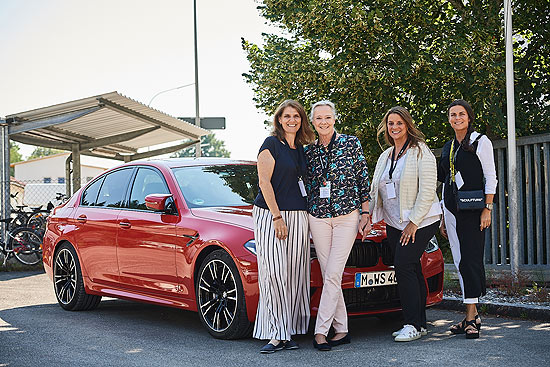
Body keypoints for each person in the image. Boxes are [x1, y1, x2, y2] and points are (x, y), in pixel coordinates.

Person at [369, 106, 441, 342]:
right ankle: (420, 325)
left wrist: (413, 223)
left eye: (399, 123)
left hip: (421, 221)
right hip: (393, 222)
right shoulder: (386, 155)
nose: (395, 127)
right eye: (390, 123)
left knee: (403, 265)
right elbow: (375, 191)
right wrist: (368, 218)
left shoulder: (420, 151)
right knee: (412, 268)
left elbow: (428, 190)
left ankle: (410, 323)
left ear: (407, 125)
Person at [305, 100, 371, 351]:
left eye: (328, 117)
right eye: (319, 118)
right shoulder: (308, 151)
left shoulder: (350, 143)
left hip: (347, 215)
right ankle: (342, 329)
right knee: (328, 275)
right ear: (313, 121)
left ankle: (320, 331)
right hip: (318, 216)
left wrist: (365, 212)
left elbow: (362, 178)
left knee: (332, 273)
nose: (323, 122)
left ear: (335, 119)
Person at [252, 99, 315, 353]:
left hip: (300, 215)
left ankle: (289, 331)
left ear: (301, 120)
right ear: (279, 119)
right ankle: (276, 334)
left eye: (297, 116)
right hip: (272, 215)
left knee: (295, 275)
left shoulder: (300, 148)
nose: (292, 120)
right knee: (275, 274)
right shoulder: (270, 145)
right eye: (287, 116)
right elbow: (264, 182)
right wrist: (277, 217)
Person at [438, 99, 497, 339]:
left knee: (470, 261)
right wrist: (443, 215)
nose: (457, 118)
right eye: (453, 115)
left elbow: (491, 176)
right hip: (451, 211)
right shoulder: (448, 146)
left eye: (461, 114)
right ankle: (470, 315)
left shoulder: (481, 142)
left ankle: (471, 318)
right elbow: (445, 182)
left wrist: (488, 208)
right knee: (461, 261)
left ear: (469, 117)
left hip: (474, 211)